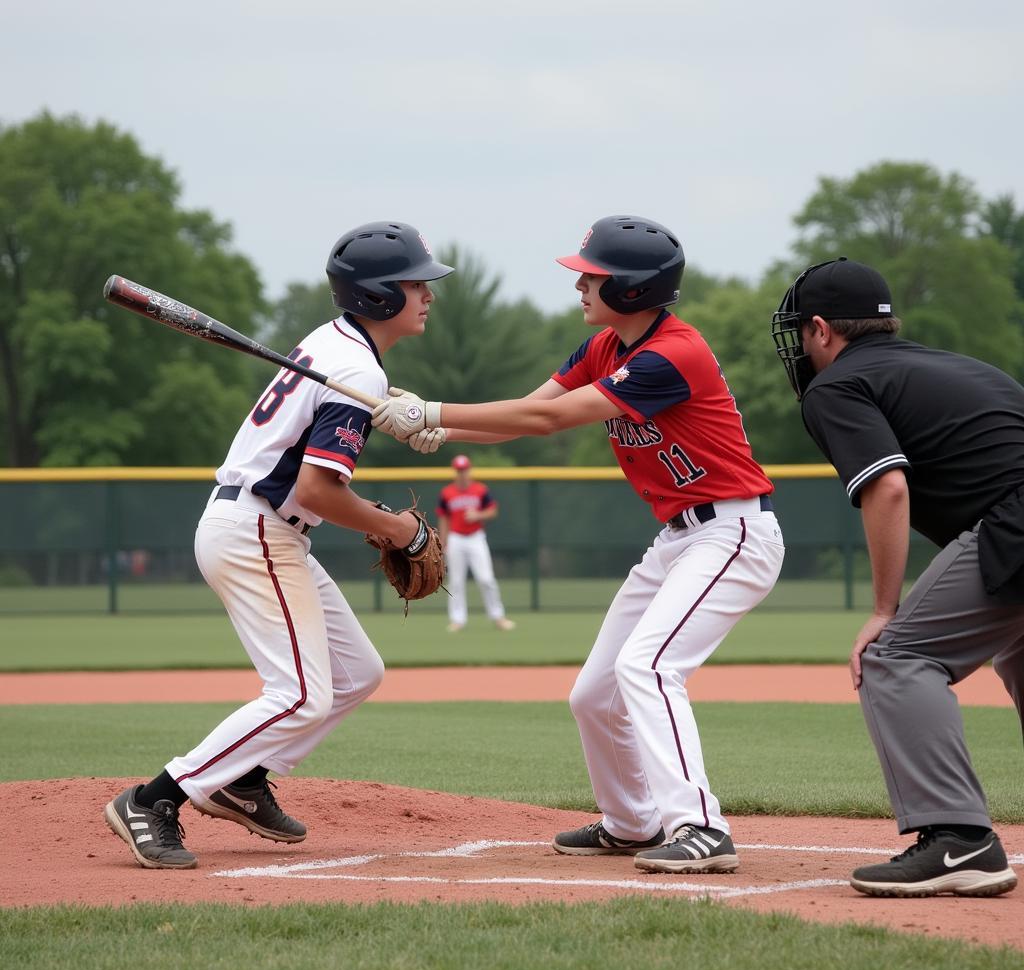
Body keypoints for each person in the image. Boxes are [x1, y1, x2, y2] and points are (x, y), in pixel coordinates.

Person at [373, 215, 785, 874]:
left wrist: (436, 413)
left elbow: (549, 417)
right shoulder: (603, 349)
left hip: (732, 532)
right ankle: (631, 822)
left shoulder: (671, 353)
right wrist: (441, 433)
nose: (580, 285)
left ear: (631, 287)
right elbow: (527, 412)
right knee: (594, 694)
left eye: (592, 275)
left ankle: (702, 827)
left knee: (648, 668)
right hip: (681, 537)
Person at [104, 222, 452, 868]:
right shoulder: (355, 368)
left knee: (357, 675)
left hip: (262, 530)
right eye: (416, 284)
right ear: (379, 297)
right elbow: (319, 492)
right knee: (299, 693)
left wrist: (389, 405)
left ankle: (243, 778)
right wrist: (398, 526)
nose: (429, 294)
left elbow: (329, 411)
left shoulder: (336, 346)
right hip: (257, 532)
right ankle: (154, 798)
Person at [772, 257, 1021, 897]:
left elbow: (887, 487)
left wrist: (885, 609)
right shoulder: (961, 365)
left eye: (801, 331)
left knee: (896, 655)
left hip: (1015, 524)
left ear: (822, 330)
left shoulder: (836, 387)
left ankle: (959, 841)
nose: (801, 345)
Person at [436, 453, 515, 633]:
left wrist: (478, 515)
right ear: (455, 471)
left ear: (469, 470)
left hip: (476, 537)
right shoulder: (447, 493)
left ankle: (498, 617)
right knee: (456, 581)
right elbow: (443, 518)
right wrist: (443, 541)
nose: (462, 473)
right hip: (456, 539)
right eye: (459, 470)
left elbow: (493, 511)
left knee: (486, 579)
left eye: (464, 470)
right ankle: (457, 620)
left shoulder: (480, 490)